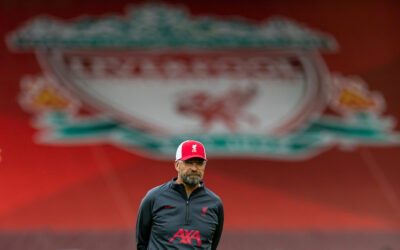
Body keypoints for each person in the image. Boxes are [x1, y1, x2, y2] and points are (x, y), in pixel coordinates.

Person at [136, 140, 224, 249]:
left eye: (199, 163)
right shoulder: (154, 197)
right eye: (189, 162)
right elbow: (141, 243)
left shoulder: (215, 203)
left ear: (204, 166)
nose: (194, 168)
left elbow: (212, 245)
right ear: (177, 165)